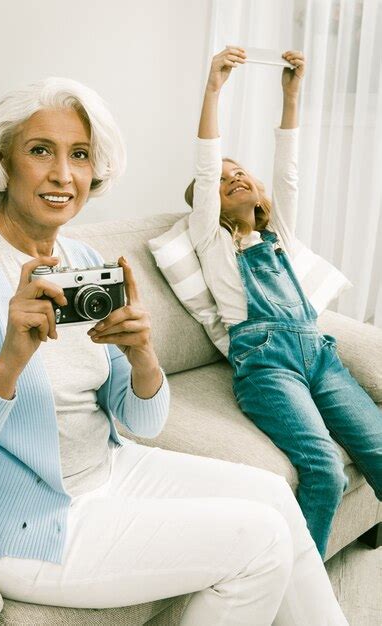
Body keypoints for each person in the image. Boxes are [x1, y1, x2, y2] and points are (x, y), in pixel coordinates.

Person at [0, 76, 349, 625]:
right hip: (19, 521)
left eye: (80, 155)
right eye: (40, 151)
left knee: (273, 493)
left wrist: (142, 354)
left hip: (108, 468)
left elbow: (141, 421)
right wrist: (9, 363)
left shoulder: (81, 257)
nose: (63, 174)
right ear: (2, 162)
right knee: (258, 542)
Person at [186, 45, 382, 561]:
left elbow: (288, 169)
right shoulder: (212, 242)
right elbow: (206, 170)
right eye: (225, 182)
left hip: (319, 354)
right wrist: (214, 87)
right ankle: (302, 595)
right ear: (213, 206)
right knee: (322, 468)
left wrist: (291, 97)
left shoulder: (281, 236)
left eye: (240, 172)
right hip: (266, 365)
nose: (235, 178)